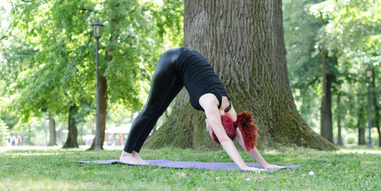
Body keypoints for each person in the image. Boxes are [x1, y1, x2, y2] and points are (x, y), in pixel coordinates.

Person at [119, 47, 282, 171]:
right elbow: (225, 139)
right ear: (214, 128)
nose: (208, 128)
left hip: (185, 66)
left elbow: (243, 137)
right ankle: (126, 154)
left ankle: (135, 154)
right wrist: (243, 167)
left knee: (158, 111)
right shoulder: (211, 105)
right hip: (174, 58)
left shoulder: (227, 106)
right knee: (151, 109)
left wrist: (265, 164)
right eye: (211, 131)